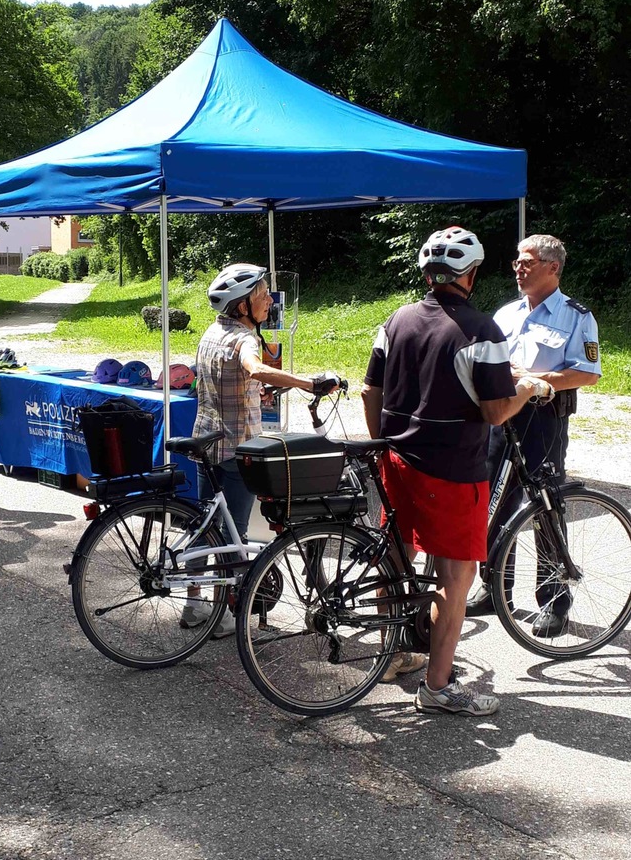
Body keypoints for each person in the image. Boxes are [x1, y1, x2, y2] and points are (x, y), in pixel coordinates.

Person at [362, 227, 554, 716]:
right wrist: (529, 389)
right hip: (452, 468)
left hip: (397, 460)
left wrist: (382, 442)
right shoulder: (481, 329)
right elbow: (494, 412)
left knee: (396, 559)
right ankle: (439, 686)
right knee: (456, 579)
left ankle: (392, 652)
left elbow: (370, 391)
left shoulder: (396, 320)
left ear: (427, 273)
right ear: (470, 274)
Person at [186, 263, 341, 638]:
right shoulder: (245, 339)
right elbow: (254, 368)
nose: (269, 300)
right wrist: (309, 382)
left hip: (207, 442)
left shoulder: (211, 332)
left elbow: (228, 380)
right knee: (232, 533)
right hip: (238, 447)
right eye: (261, 295)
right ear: (242, 306)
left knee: (203, 527)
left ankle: (193, 604)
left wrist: (256, 391)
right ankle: (224, 615)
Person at [466, 234, 601, 635]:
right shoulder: (506, 313)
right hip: (501, 416)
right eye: (516, 262)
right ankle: (494, 588)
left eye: (528, 262)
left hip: (543, 419)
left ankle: (555, 598)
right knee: (493, 501)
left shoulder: (577, 316)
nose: (519, 269)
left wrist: (532, 379)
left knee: (544, 506)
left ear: (553, 267)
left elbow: (587, 374)